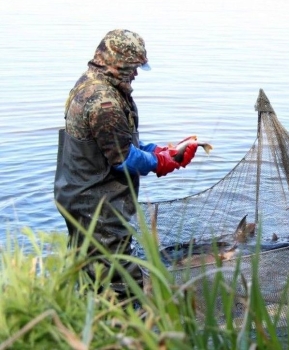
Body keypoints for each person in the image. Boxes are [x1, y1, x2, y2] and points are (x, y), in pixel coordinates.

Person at [54, 29, 198, 298]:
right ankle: (124, 333)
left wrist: (161, 150)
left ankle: (84, 326)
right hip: (97, 207)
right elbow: (124, 159)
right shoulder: (103, 101)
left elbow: (117, 143)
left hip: (78, 196)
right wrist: (161, 161)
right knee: (121, 283)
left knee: (88, 273)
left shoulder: (92, 84)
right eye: (133, 66)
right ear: (117, 61)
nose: (136, 73)